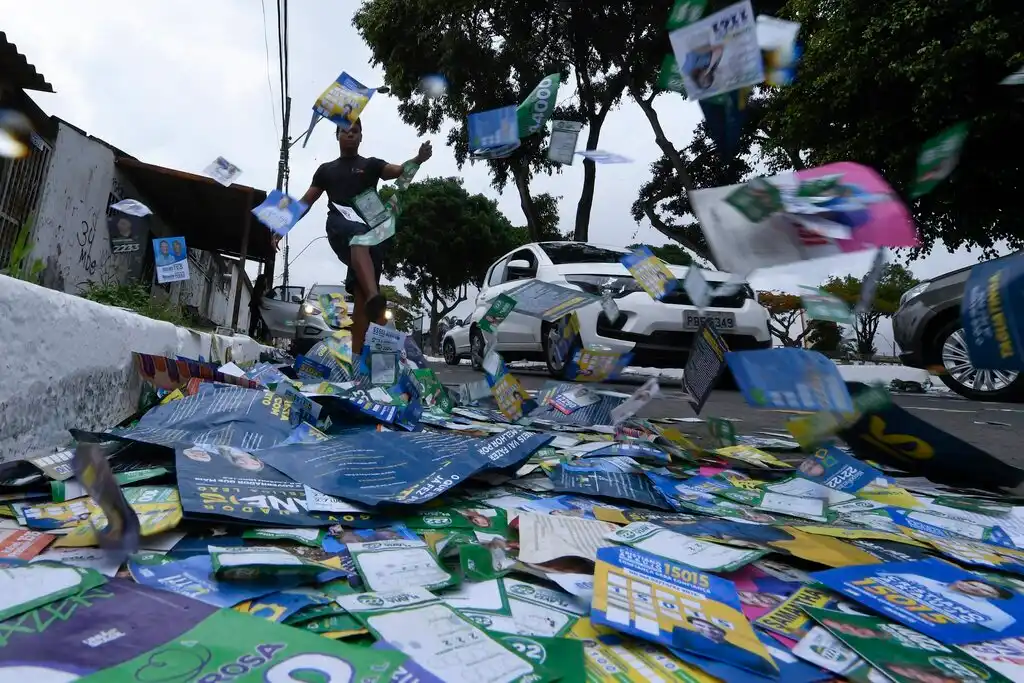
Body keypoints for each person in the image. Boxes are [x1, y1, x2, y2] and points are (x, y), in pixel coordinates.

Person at [294, 118, 432, 355]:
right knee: (358, 237)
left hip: (370, 233)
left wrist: (418, 159)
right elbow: (305, 202)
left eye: (355, 131)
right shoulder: (326, 170)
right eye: (345, 131)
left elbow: (398, 171)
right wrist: (280, 227)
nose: (350, 134)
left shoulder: (370, 165)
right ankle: (373, 296)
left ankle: (357, 359)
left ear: (361, 136)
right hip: (340, 226)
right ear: (337, 135)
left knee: (360, 293)